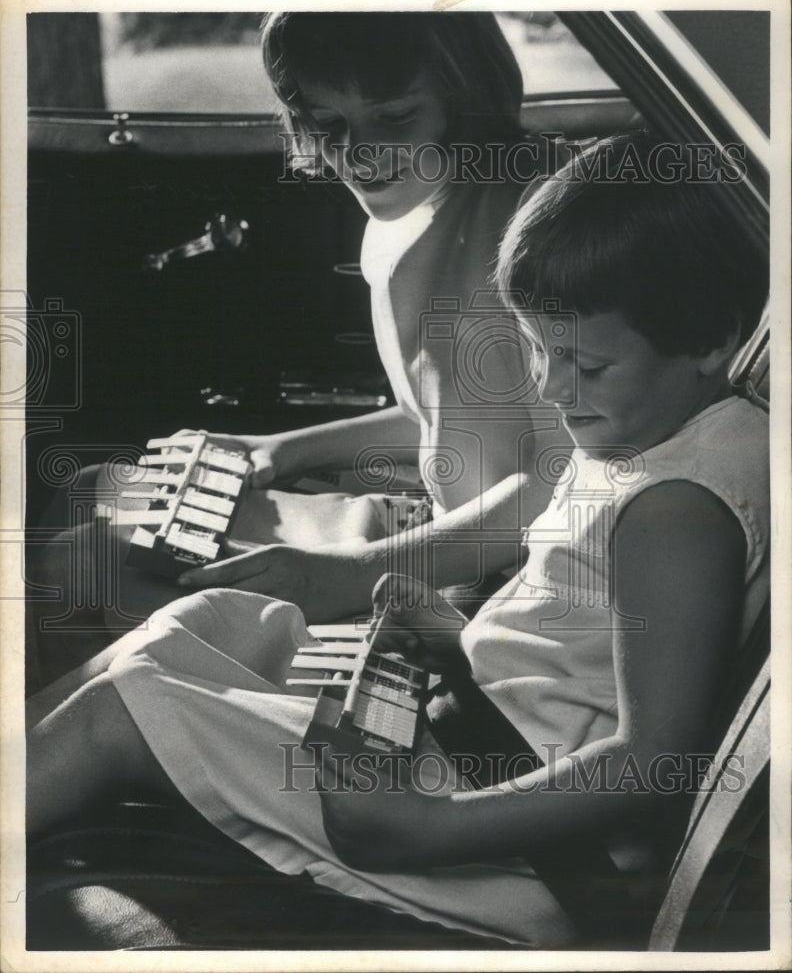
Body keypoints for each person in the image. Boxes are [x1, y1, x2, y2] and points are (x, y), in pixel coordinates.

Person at [27, 133, 769, 947]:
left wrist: (422, 827)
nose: (552, 390)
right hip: (484, 744)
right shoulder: (659, 436)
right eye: (536, 351)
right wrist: (453, 635)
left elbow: (646, 763)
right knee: (205, 623)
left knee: (131, 703)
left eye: (587, 365)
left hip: (521, 853)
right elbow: (581, 666)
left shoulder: (677, 512)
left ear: (711, 341)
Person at [28, 12, 566, 678]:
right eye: (325, 123)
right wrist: (277, 451)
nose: (357, 153)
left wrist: (346, 573)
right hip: (436, 528)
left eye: (394, 116)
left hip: (483, 585)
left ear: (467, 99)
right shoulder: (414, 207)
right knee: (92, 493)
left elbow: (562, 481)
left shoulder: (539, 225)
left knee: (72, 568)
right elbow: (435, 418)